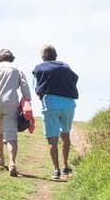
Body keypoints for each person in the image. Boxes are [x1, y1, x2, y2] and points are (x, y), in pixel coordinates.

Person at [0, 48, 36, 176]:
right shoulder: (17, 69)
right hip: (11, 103)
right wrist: (26, 99)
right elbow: (25, 87)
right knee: (11, 135)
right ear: (12, 58)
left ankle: (0, 159)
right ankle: (12, 163)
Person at [31, 44, 80, 179]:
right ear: (56, 56)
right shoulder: (66, 67)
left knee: (52, 139)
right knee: (65, 135)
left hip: (51, 102)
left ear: (43, 57)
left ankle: (56, 170)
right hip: (69, 103)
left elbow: (36, 88)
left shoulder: (39, 68)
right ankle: (65, 165)